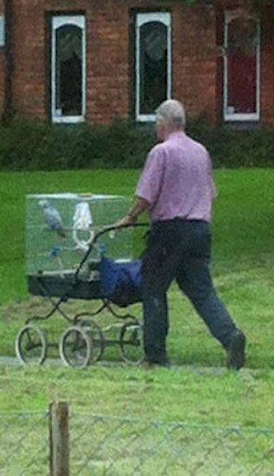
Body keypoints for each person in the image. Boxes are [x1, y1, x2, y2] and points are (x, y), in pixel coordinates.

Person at [114, 99, 246, 370]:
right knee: (201, 290)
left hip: (170, 230)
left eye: (156, 125)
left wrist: (130, 216)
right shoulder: (200, 152)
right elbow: (212, 194)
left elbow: (146, 195)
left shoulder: (161, 153)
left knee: (152, 285)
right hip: (200, 229)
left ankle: (155, 356)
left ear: (162, 124)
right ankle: (230, 336)